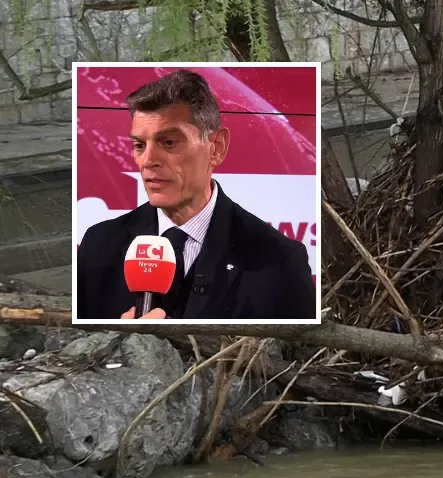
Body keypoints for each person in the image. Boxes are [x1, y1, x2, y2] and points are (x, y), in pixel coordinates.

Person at [75, 68, 316, 320]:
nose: (147, 160)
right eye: (139, 145)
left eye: (169, 142)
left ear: (216, 148)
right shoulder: (98, 245)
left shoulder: (279, 260)